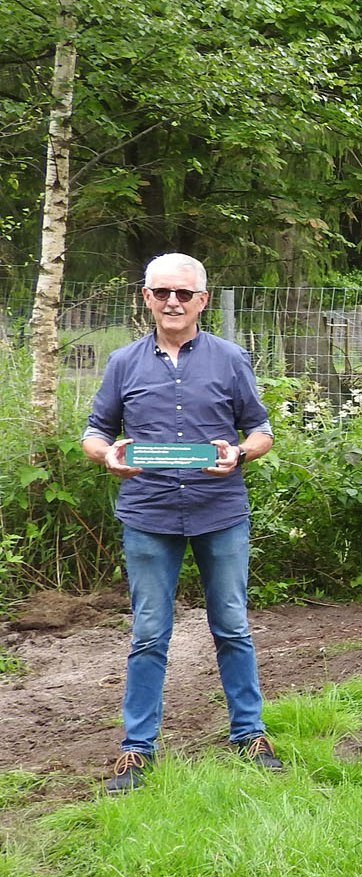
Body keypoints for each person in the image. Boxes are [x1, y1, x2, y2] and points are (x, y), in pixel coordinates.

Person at [82, 253, 282, 793]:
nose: (173, 302)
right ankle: (137, 749)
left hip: (220, 513)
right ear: (146, 297)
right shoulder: (124, 362)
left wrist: (239, 453)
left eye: (184, 294)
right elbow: (95, 432)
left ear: (203, 300)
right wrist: (108, 457)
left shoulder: (230, 358)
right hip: (147, 514)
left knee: (233, 626)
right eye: (162, 292)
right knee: (149, 633)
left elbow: (261, 430)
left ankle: (250, 734)